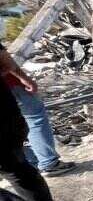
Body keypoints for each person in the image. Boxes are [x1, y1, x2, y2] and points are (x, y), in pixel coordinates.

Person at [0, 42, 68, 201]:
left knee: (15, 168)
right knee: (17, 168)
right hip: (6, 111)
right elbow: (4, 58)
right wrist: (22, 76)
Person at [4, 49, 74, 177]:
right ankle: (49, 163)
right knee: (35, 118)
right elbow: (3, 58)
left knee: (8, 129)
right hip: (9, 84)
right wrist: (24, 78)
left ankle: (30, 162)